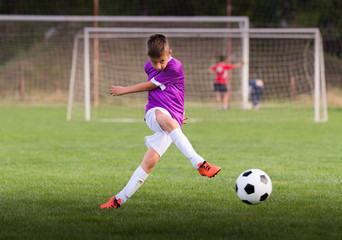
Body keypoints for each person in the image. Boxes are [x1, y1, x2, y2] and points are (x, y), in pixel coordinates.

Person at [100, 34, 222, 209]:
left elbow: (154, 86)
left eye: (162, 61)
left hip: (171, 116)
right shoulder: (148, 67)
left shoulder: (175, 66)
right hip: (153, 112)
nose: (158, 66)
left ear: (170, 53)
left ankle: (119, 199)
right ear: (147, 56)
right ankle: (200, 164)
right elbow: (160, 91)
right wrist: (171, 120)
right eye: (154, 62)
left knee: (149, 163)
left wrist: (124, 90)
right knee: (171, 125)